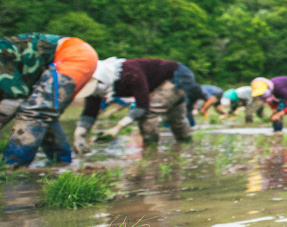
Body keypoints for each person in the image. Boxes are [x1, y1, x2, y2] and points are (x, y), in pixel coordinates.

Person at [1, 34, 98, 167]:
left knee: (36, 113)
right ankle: (61, 164)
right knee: (45, 115)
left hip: (74, 55)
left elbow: (13, 99)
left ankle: (11, 168)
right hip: (72, 56)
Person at [75, 57, 206, 149]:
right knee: (176, 117)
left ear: (102, 79)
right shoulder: (98, 89)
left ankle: (150, 152)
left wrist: (116, 128)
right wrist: (78, 134)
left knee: (150, 113)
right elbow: (89, 112)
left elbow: (142, 106)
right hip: (156, 84)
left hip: (177, 76)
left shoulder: (130, 73)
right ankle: (186, 147)